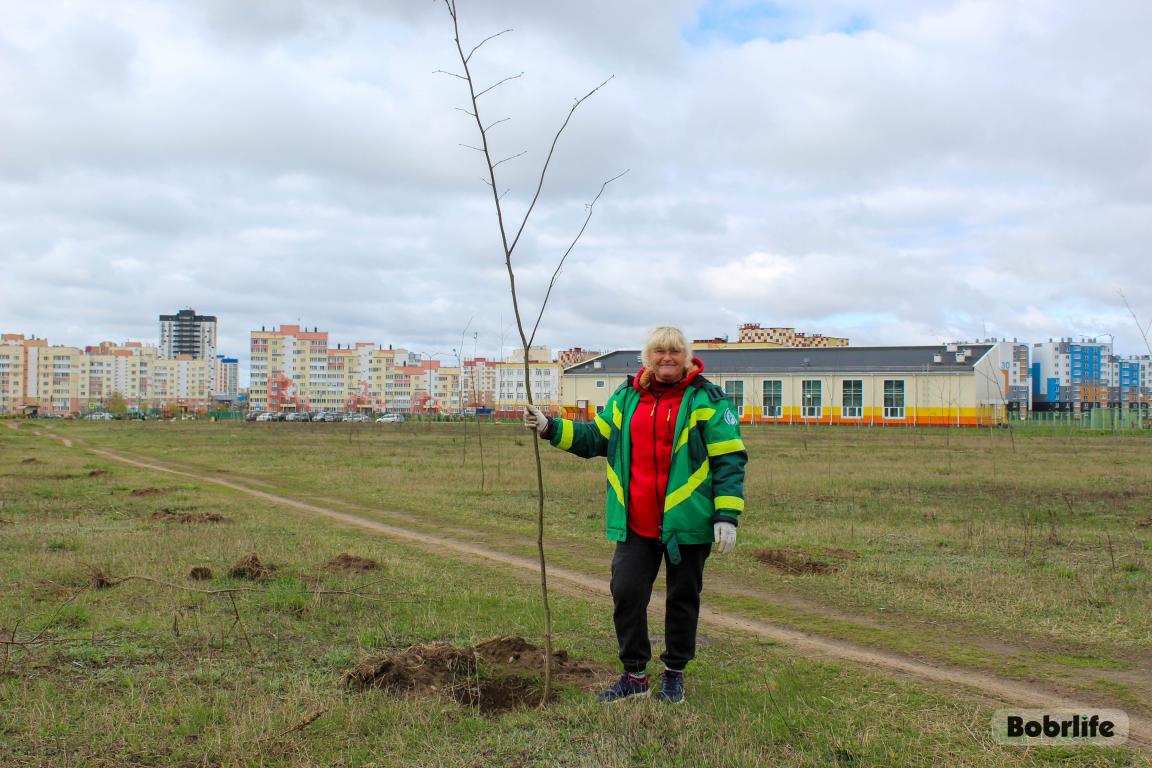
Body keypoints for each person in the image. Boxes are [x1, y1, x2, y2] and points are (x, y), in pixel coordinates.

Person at [523, 326, 747, 704]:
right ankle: (635, 675)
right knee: (626, 592)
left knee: (683, 598)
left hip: (688, 523)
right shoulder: (626, 398)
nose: (667, 358)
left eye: (675, 352)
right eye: (659, 352)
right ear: (647, 357)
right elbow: (594, 438)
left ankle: (674, 673)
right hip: (635, 522)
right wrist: (550, 427)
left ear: (687, 357)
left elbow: (729, 461)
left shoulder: (709, 399)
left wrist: (726, 515)